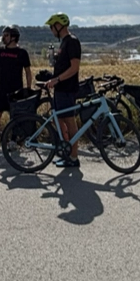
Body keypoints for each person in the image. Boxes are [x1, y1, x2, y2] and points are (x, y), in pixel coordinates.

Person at [0, 25, 32, 151]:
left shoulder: (22, 53)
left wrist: (28, 89)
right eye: (3, 35)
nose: (3, 37)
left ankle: (13, 141)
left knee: (15, 117)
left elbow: (28, 71)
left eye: (6, 35)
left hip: (16, 90)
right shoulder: (0, 50)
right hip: (1, 89)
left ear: (13, 37)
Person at [43, 13, 81, 168]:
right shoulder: (64, 42)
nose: (51, 30)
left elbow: (74, 67)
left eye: (52, 27)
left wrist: (57, 79)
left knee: (69, 120)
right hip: (60, 88)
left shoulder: (72, 41)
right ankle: (66, 151)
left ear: (59, 26)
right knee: (58, 120)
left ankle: (73, 156)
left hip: (66, 88)